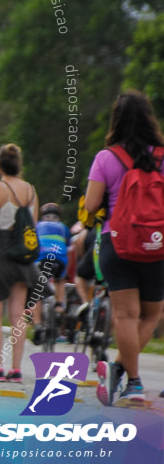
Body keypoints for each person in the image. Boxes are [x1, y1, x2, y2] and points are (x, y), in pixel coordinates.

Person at [84, 91, 164, 405]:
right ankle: (118, 368)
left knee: (126, 316)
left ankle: (132, 381)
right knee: (151, 315)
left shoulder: (107, 157)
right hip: (157, 245)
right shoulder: (162, 156)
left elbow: (91, 205)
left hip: (116, 242)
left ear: (115, 121)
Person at [0, 143, 40, 382]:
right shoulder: (31, 190)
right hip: (23, 256)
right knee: (17, 313)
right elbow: (30, 225)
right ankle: (16, 369)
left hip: (0, 251)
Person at [31, 203, 69, 345]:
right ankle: (59, 305)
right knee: (60, 279)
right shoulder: (63, 227)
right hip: (59, 259)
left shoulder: (37, 225)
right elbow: (68, 245)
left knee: (37, 291)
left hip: (41, 259)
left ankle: (37, 325)